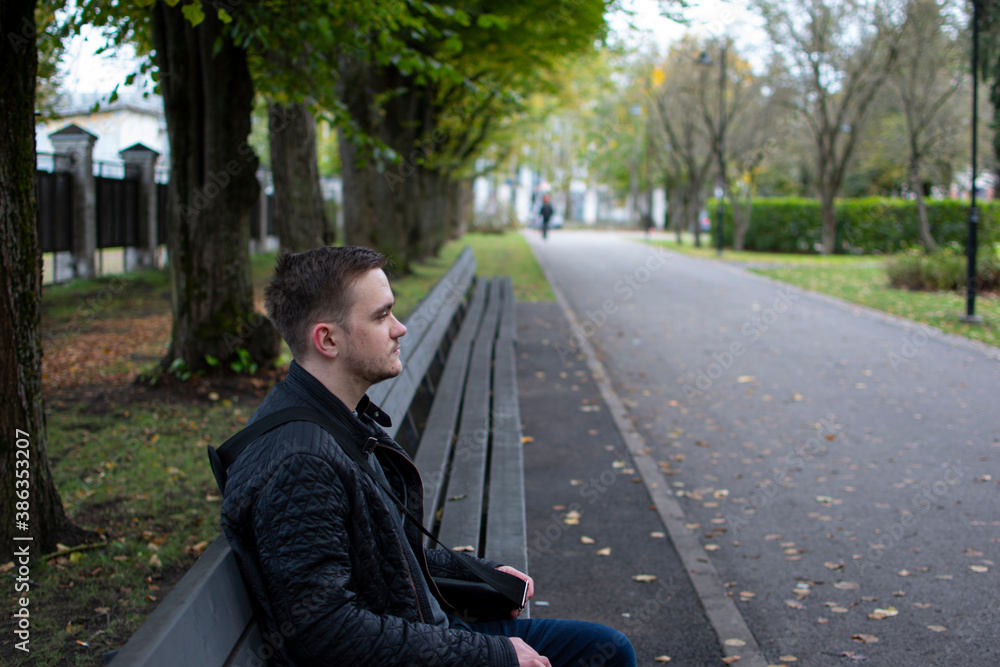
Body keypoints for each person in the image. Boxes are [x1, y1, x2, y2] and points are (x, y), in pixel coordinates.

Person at [220, 246, 636, 667]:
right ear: (328, 339)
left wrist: (474, 574)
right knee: (606, 654)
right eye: (381, 316)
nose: (399, 328)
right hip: (415, 646)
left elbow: (383, 553)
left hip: (422, 630)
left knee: (607, 648)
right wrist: (492, 656)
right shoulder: (300, 463)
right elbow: (328, 633)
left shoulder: (330, 416)